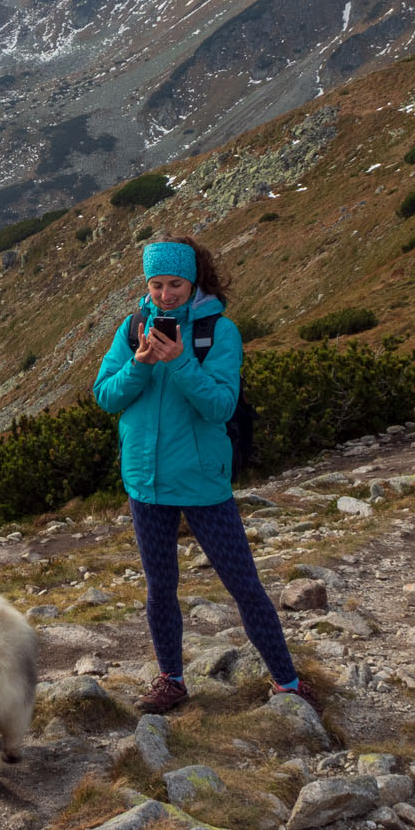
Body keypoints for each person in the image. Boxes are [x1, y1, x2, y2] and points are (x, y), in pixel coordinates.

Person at [93, 235, 318, 716]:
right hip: (145, 481)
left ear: (194, 281)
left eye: (175, 283)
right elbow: (106, 397)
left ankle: (287, 681)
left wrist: (180, 363)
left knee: (243, 583)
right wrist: (139, 364)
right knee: (160, 586)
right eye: (156, 284)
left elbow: (220, 405)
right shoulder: (133, 328)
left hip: (201, 481)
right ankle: (171, 679)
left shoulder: (219, 331)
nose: (165, 294)